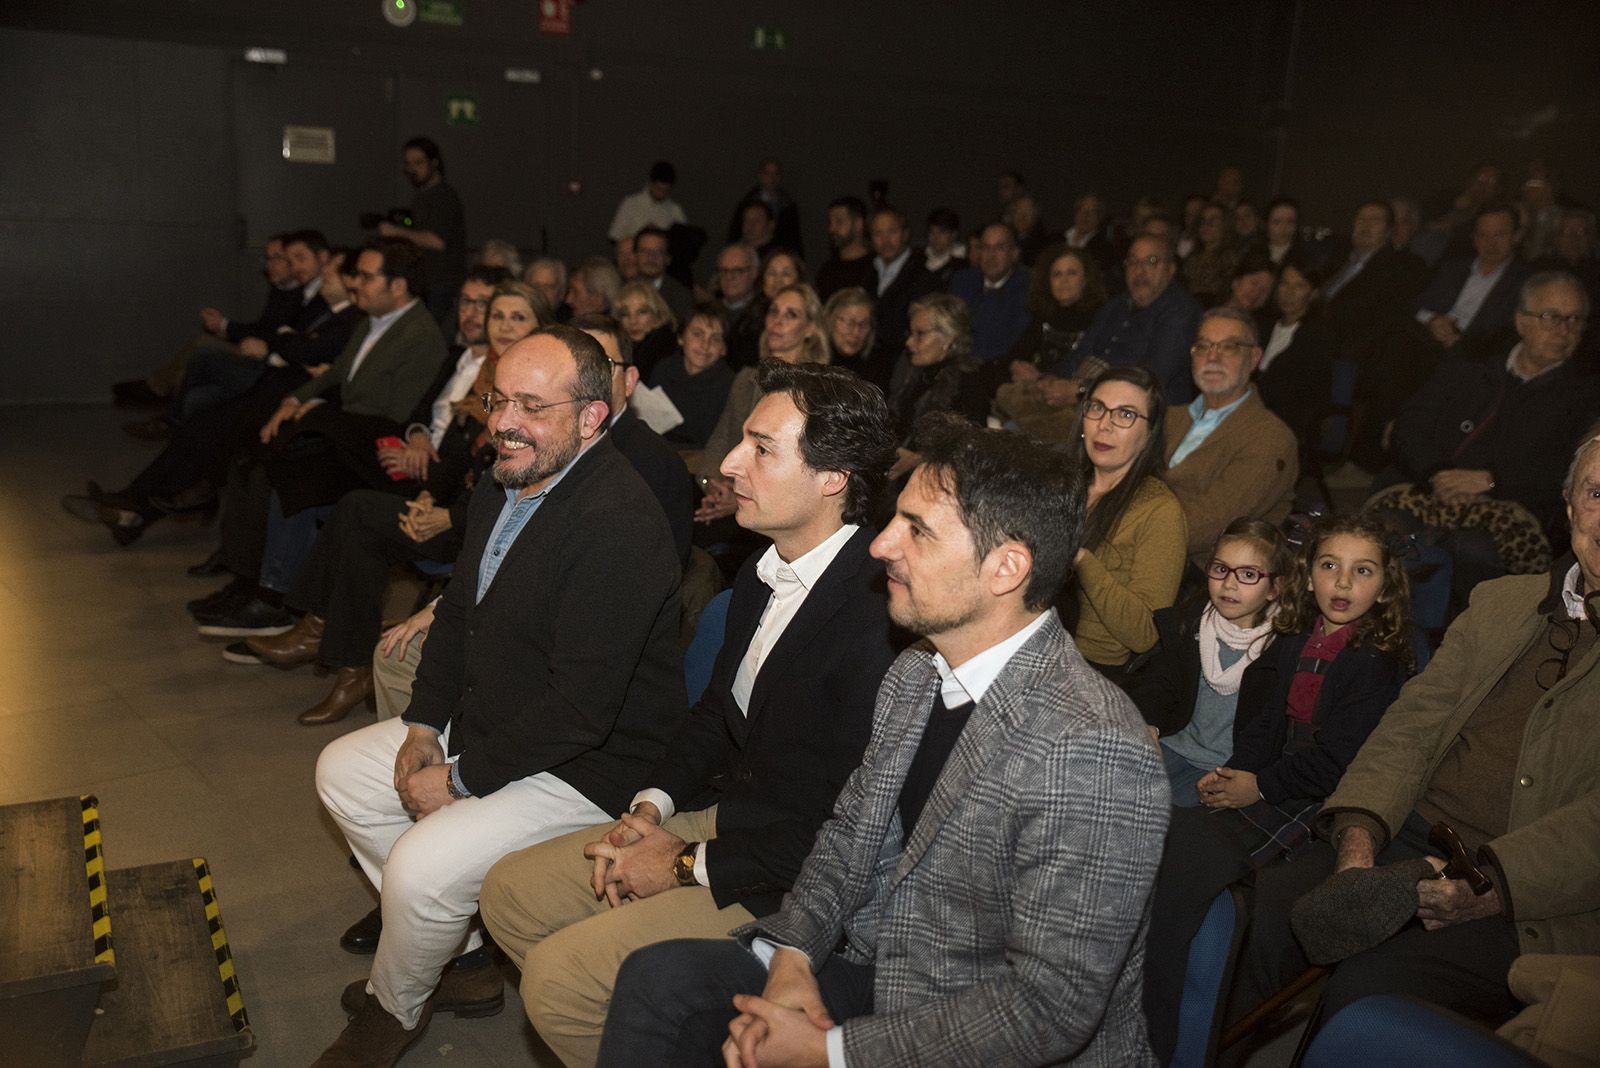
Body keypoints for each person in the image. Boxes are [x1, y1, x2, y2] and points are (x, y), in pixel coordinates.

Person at [598, 413, 1170, 1067]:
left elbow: (1048, 1010)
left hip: (994, 1035)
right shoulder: (916, 671)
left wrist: (832, 1050)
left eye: (917, 531)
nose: (880, 545)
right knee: (657, 982)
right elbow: (846, 843)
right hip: (892, 973)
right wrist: (790, 955)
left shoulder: (1092, 748)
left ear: (1007, 567)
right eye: (895, 518)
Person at [478, 361, 900, 1065]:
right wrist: (649, 809)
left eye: (762, 448)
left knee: (557, 983)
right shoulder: (762, 569)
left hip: (791, 874)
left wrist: (683, 865)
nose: (730, 462)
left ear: (834, 478)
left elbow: (840, 833)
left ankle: (658, 1027)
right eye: (742, 440)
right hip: (730, 812)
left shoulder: (878, 622)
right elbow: (713, 714)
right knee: (509, 893)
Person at [310, 325, 687, 1067]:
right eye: (498, 399)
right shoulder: (505, 478)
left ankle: (397, 1006)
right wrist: (422, 725)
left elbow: (580, 711)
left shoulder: (619, 524)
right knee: (342, 774)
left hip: (588, 764)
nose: (503, 423)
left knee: (421, 865)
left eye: (532, 406)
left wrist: (455, 778)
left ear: (590, 418)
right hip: (503, 719)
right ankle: (465, 956)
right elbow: (459, 613)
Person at [1223, 427, 1600, 1044]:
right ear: (1568, 506)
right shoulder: (1504, 603)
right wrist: (1358, 840)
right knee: (1252, 923)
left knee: (1367, 992)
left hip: (1524, 892)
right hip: (1406, 832)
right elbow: (1410, 726)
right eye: (1598, 492)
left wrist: (1491, 886)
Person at [1143, 512, 1414, 1063]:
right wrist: (1233, 773)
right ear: (1307, 575)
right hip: (1270, 775)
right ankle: (1149, 987)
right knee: (1177, 841)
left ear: (1385, 586)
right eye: (1330, 566)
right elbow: (1266, 723)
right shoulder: (1295, 638)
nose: (1342, 584)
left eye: (1362, 572)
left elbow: (1338, 762)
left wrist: (1259, 786)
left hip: (1314, 796)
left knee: (1212, 869)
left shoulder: (1375, 663)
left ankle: (1192, 1025)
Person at [230, 279, 548, 721]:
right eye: (498, 315)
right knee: (357, 515)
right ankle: (346, 661)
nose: (503, 326)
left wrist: (448, 516)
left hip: (490, 533)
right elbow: (456, 457)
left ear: (542, 326)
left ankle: (328, 641)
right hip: (457, 506)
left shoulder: (534, 392)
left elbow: (518, 490)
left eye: (519, 317)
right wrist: (426, 498)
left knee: (358, 509)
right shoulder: (489, 373)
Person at [1369, 271, 1597, 614]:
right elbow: (1409, 425)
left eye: (1574, 320)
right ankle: (1377, 634)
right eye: (1551, 317)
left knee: (1473, 551)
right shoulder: (1471, 366)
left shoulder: (1586, 395)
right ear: (1521, 321)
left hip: (1513, 511)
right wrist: (1437, 473)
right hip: (1427, 489)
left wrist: (1491, 480)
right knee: (1381, 532)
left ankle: (1463, 646)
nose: (1564, 330)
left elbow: (1571, 470)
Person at [1127, 518, 1294, 802]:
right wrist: (1148, 725)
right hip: (1172, 743)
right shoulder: (1192, 621)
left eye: (1249, 575)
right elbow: (1159, 680)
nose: (1229, 584)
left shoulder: (1283, 647)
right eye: (1220, 569)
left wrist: (1244, 771)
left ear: (1274, 588)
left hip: (1225, 770)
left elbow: (1271, 728)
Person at [1060, 367, 1188, 677]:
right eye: (1097, 407)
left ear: (1149, 434)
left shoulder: (1160, 511)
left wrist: (1080, 559)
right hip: (1025, 645)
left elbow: (1145, 634)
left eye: (1126, 415)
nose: (1105, 425)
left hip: (1089, 671)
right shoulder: (1058, 482)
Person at [1162, 308, 1299, 567]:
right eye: (1203, 346)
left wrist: (1126, 528)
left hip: (1207, 575)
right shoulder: (1168, 417)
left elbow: (1212, 524)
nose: (1212, 357)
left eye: (1230, 347)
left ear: (1255, 357)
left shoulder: (1271, 438)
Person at [694, 285, 830, 531]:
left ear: (811, 327)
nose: (777, 321)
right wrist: (712, 485)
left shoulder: (814, 388)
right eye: (774, 312)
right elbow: (721, 438)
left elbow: (799, 470)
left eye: (791, 315)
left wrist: (738, 498)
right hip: (731, 493)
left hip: (782, 511)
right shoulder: (746, 378)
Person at [112, 233, 302, 408]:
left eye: (277, 258)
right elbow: (264, 328)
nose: (270, 265)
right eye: (268, 258)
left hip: (270, 359)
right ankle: (161, 392)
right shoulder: (281, 289)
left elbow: (271, 335)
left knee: (202, 351)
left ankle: (162, 397)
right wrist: (225, 327)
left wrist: (226, 326)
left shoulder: (298, 295)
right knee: (200, 350)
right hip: (262, 350)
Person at [1044, 232, 1202, 406]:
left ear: (1170, 269)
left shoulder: (1181, 312)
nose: (1139, 270)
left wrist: (1081, 391)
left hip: (1138, 414)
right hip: (1086, 402)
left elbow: (1150, 379)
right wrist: (1053, 380)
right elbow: (1082, 351)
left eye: (1151, 261)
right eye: (1133, 262)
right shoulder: (1116, 304)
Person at [885, 294, 986, 478]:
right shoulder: (913, 371)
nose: (909, 342)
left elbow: (973, 448)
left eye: (920, 334)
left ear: (949, 338)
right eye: (911, 333)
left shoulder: (968, 382)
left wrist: (919, 460)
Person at [1253, 256, 1337, 447]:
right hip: (1252, 412)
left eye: (1298, 286)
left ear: (1313, 293)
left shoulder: (1317, 336)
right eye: (1284, 284)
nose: (1288, 293)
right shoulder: (1264, 325)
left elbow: (1298, 395)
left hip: (1287, 424)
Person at [385, 137, 466, 327]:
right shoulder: (422, 196)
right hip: (428, 282)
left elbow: (437, 241)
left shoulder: (443, 196)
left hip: (442, 283)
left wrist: (395, 232)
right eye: (408, 163)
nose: (412, 169)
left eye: (419, 162)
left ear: (434, 163)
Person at [648, 303, 735, 449]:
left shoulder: (731, 385)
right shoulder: (663, 370)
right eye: (698, 334)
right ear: (681, 338)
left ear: (724, 349)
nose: (705, 345)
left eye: (715, 339)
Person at [865, 206, 939, 377]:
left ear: (905, 234)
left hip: (904, 367)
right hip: (870, 364)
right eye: (878, 233)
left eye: (892, 231)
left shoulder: (924, 276)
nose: (886, 240)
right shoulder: (868, 272)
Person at [948, 221, 1031, 363]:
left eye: (1000, 248)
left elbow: (1010, 345)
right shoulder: (962, 281)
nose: (991, 255)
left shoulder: (1026, 291)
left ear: (1014, 254)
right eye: (986, 247)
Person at [725, 157, 803, 256]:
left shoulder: (788, 206)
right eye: (767, 174)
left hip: (780, 255)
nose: (772, 179)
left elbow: (795, 239)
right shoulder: (746, 204)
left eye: (776, 174)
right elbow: (734, 235)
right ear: (760, 175)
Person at [607, 160, 687, 243]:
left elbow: (683, 240)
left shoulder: (675, 209)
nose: (661, 194)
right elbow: (614, 236)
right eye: (658, 189)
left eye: (665, 191)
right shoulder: (631, 203)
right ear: (650, 183)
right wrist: (642, 234)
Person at [612, 280, 677, 382]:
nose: (633, 321)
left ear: (657, 313)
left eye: (642, 312)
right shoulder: (618, 347)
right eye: (625, 314)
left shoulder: (668, 352)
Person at [710, 243, 763, 368]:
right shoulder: (708, 311)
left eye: (738, 270)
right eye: (724, 271)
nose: (730, 277)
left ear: (754, 273)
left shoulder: (765, 315)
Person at [813, 195, 875, 301]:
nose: (832, 229)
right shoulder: (827, 272)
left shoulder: (876, 268)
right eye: (830, 222)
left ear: (858, 225)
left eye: (839, 222)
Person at [632, 225, 693, 326]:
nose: (651, 257)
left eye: (658, 252)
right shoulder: (622, 289)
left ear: (668, 259)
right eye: (645, 251)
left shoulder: (681, 296)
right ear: (635, 256)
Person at [1183, 202, 1241, 308]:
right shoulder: (1191, 258)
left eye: (1213, 221)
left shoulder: (1231, 259)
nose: (1207, 226)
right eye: (1203, 221)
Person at [820, 286, 875, 379]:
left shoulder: (875, 370)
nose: (856, 332)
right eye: (849, 323)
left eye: (863, 324)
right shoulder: (811, 362)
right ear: (831, 319)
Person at [921, 207, 966, 285]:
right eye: (932, 232)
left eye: (942, 232)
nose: (935, 238)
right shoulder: (918, 258)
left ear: (953, 234)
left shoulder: (964, 263)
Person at [1261, 196, 1301, 265]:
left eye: (1290, 222)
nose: (1284, 228)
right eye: (1277, 222)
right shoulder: (1252, 254)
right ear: (1266, 225)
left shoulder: (1306, 257)